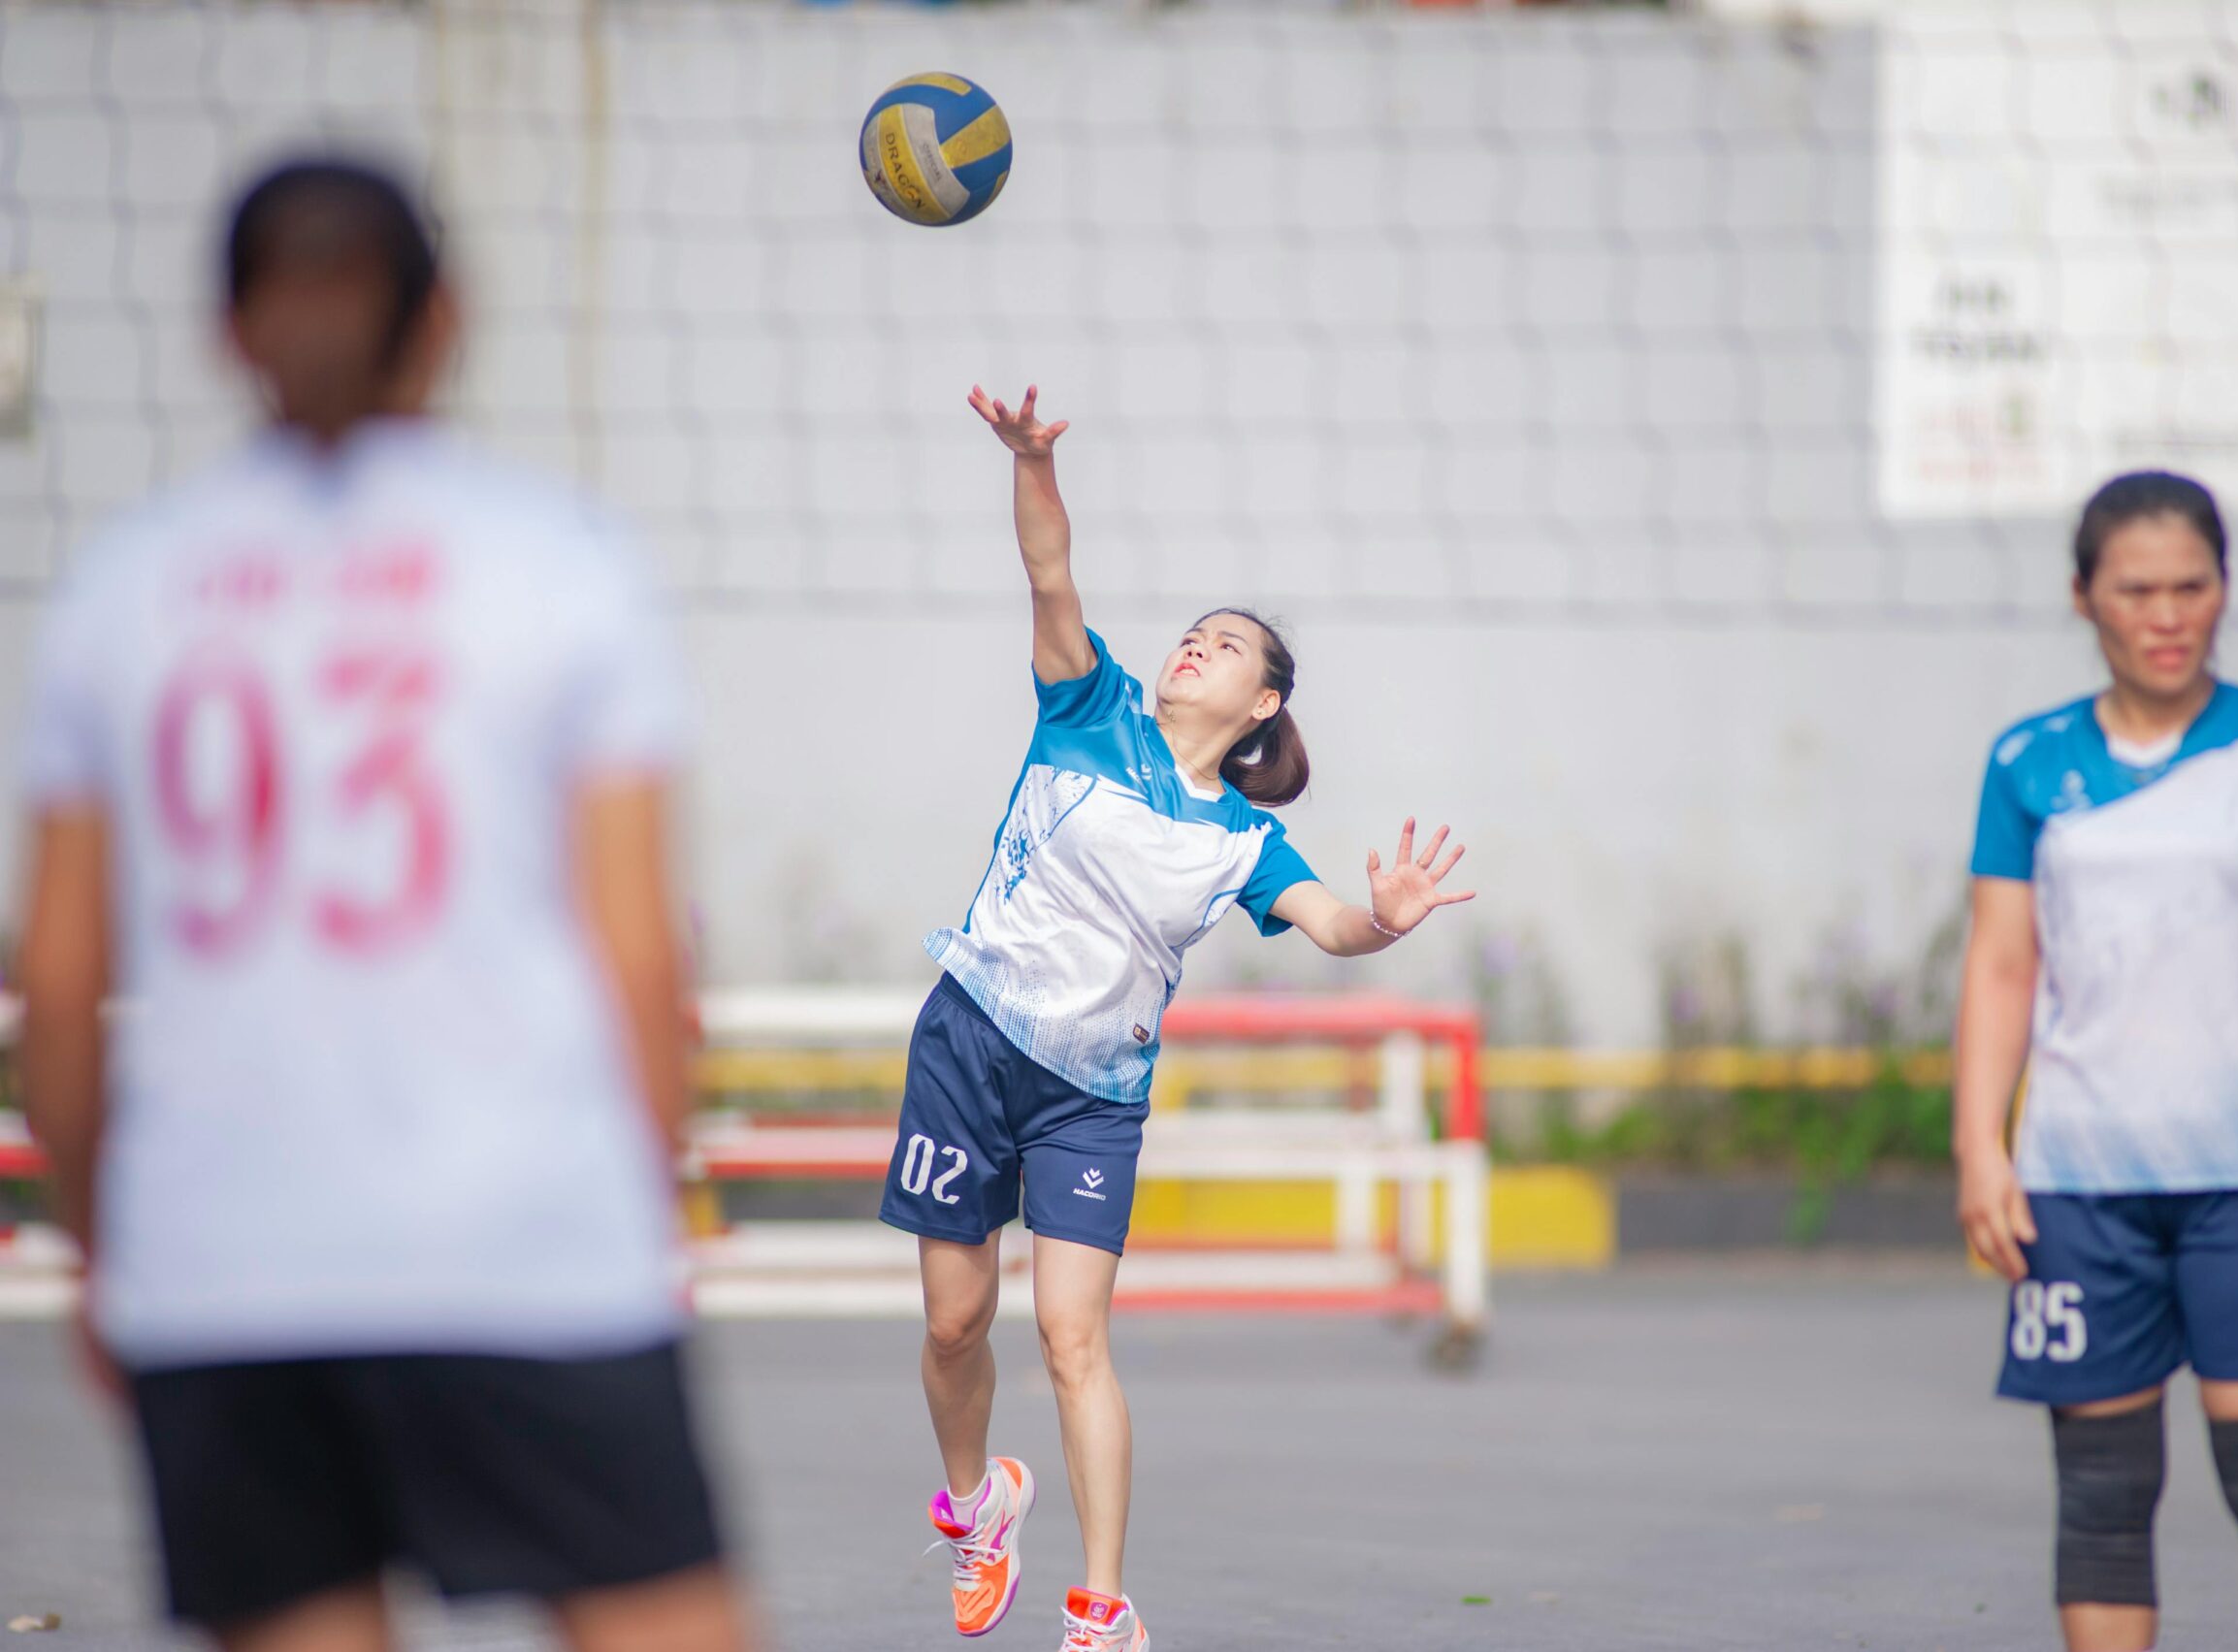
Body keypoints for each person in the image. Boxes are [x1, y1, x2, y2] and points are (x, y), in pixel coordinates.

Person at [15, 157, 747, 1652]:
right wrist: (647, 1206)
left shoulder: (123, 584)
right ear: (448, 320)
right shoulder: (559, 561)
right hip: (524, 1237)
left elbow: (60, 972)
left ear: (225, 331)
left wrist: (106, 1247)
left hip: (225, 1256)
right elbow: (632, 948)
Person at [881, 385, 1475, 1652]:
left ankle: (1102, 1604)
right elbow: (1050, 565)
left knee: (1072, 1334)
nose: (1197, 645)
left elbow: (1330, 927)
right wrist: (1034, 463)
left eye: (1230, 645)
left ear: (1262, 704)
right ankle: (980, 1501)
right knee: (953, 1321)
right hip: (970, 1037)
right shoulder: (1086, 704)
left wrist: (1388, 916)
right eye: (1195, 631)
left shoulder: (1245, 836)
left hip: (1092, 1093)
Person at [1950, 471, 2238, 1652]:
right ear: (2084, 598)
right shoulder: (2026, 760)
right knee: (2099, 1500)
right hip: (2077, 1182)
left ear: (2223, 591)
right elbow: (1998, 968)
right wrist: (1978, 1145)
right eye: (2137, 590)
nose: (2168, 613)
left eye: (2192, 586)